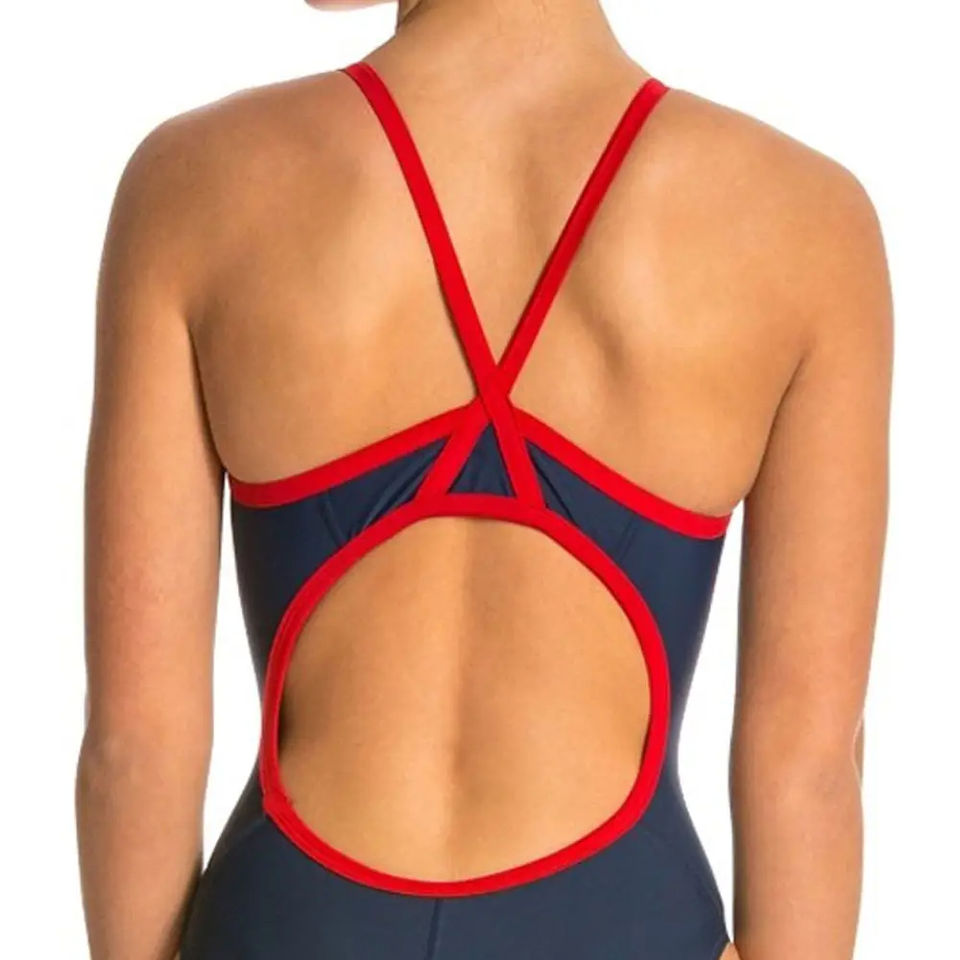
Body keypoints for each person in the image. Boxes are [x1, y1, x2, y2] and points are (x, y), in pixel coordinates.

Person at [76, 1, 892, 958]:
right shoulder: (804, 222)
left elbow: (135, 745)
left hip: (291, 923)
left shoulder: (197, 184)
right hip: (624, 927)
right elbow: (808, 769)